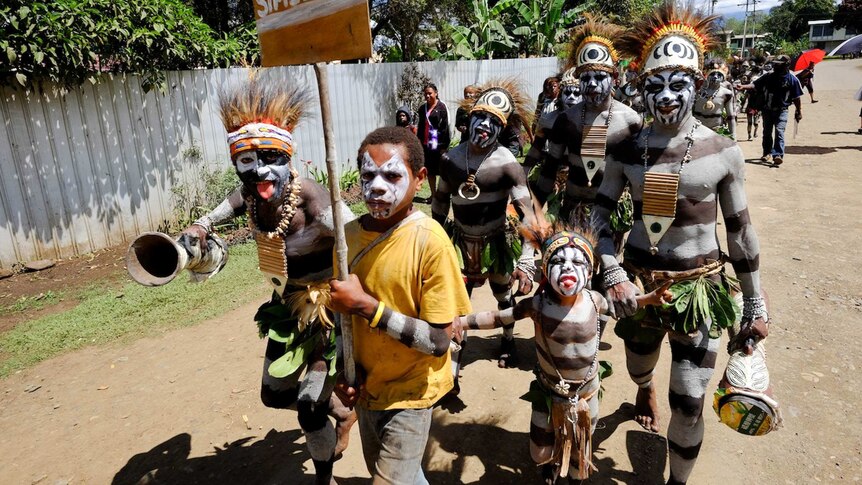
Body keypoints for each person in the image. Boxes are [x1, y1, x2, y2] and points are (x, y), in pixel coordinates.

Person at [599, 4, 770, 484]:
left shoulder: (722, 151)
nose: (668, 98)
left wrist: (754, 300)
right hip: (637, 284)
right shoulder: (627, 149)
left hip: (699, 289)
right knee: (637, 363)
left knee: (690, 402)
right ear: (640, 88)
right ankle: (641, 386)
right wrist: (611, 271)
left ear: (698, 85)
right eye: (657, 86)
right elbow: (599, 214)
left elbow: (740, 231)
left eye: (680, 85)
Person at [179, 75, 356, 485]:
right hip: (285, 308)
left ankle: (323, 475)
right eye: (247, 161)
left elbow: (358, 237)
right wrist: (200, 228)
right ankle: (342, 413)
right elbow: (214, 214)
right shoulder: (249, 195)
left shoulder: (311, 197)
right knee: (273, 394)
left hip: (328, 312)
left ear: (289, 158)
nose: (260, 170)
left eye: (271, 157)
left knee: (310, 406)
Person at [455, 222, 672, 483]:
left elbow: (625, 305)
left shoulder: (595, 300)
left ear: (589, 271)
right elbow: (497, 317)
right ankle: (552, 461)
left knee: (580, 461)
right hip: (549, 391)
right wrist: (461, 322)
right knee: (539, 452)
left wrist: (648, 299)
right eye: (559, 261)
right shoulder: (537, 305)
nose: (568, 267)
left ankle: (573, 473)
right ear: (545, 269)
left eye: (577, 262)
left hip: (585, 394)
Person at [328, 127, 472, 484]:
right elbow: (342, 321)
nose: (377, 186)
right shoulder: (346, 240)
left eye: (392, 175)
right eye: (367, 175)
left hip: (412, 393)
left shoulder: (430, 242)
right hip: (368, 391)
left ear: (420, 179)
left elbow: (439, 342)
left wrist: (368, 307)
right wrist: (346, 372)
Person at [432, 79, 540, 373]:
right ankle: (453, 364)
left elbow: (528, 215)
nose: (485, 126)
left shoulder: (508, 165)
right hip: (459, 244)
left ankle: (508, 340)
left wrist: (527, 260)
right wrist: (433, 241)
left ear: (502, 129)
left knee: (503, 295)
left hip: (496, 243)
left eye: (494, 122)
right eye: (481, 117)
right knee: (457, 300)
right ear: (469, 119)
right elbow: (440, 202)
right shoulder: (451, 160)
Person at [533, 14, 642, 228]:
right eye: (585, 78)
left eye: (600, 78)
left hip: (611, 214)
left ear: (615, 79)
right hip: (572, 209)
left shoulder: (631, 120)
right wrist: (534, 213)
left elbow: (639, 178)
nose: (592, 84)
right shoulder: (566, 119)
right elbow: (549, 169)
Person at [737, 54, 803, 167]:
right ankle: (767, 152)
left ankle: (777, 155)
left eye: (778, 65)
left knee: (779, 131)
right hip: (767, 110)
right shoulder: (769, 76)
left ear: (786, 66)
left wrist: (799, 111)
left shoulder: (792, 80)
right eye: (775, 64)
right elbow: (755, 84)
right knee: (767, 132)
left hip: (782, 110)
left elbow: (797, 98)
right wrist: (743, 87)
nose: (775, 66)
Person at [523, 68, 581, 178]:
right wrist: (524, 172)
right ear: (561, 95)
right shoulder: (548, 119)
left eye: (577, 93)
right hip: (554, 171)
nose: (571, 98)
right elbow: (536, 148)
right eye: (567, 93)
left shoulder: (592, 120)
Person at [415, 82, 451, 200]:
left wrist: (444, 146)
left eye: (430, 93)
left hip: (439, 146)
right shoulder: (422, 108)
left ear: (436, 93)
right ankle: (433, 194)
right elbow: (420, 127)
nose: (427, 96)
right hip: (426, 145)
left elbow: (446, 128)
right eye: (425, 94)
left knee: (442, 171)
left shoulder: (442, 108)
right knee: (429, 171)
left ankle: (443, 194)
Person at [693, 58, 736, 139]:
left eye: (719, 75)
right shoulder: (697, 90)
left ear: (723, 78)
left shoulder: (727, 93)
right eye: (712, 74)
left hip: (716, 131)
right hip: (697, 131)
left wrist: (733, 135)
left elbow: (730, 116)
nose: (715, 77)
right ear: (707, 76)